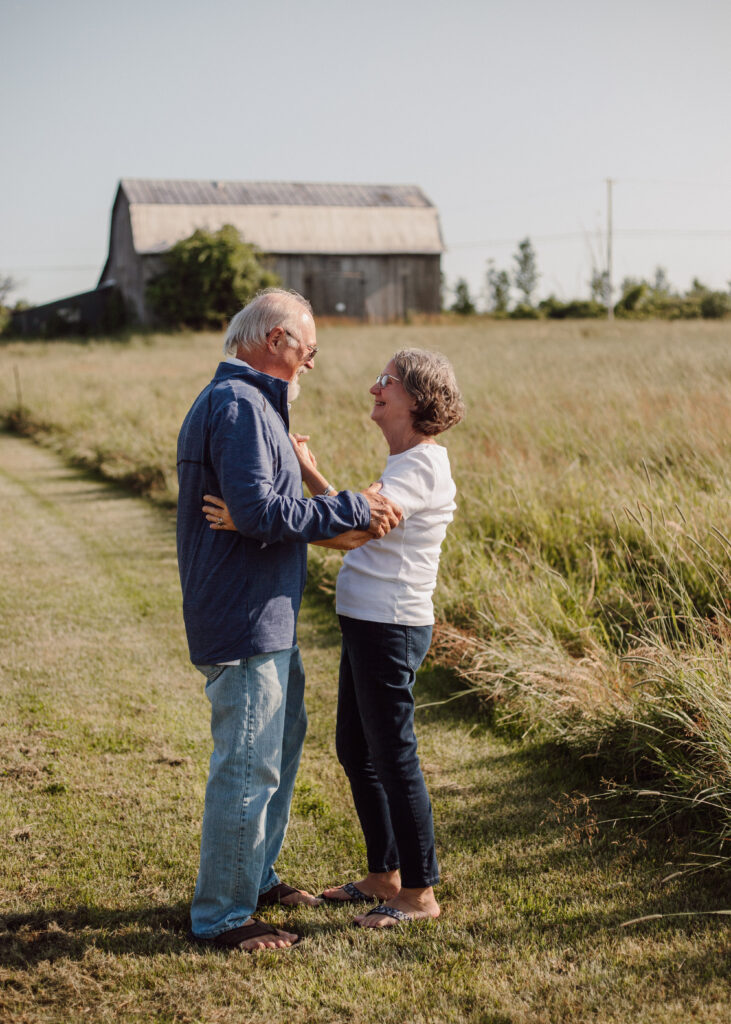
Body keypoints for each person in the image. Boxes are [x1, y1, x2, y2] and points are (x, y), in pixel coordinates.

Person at [204, 348, 464, 930]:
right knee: (357, 750)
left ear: (416, 399)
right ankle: (384, 874)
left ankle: (419, 893)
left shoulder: (419, 467)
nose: (375, 386)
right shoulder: (403, 465)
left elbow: (350, 537)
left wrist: (256, 518)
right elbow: (356, 519)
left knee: (394, 757)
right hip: (369, 625)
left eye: (387, 381)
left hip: (390, 627)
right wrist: (310, 475)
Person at [176, 288, 402, 953]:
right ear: (276, 342)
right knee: (246, 768)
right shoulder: (239, 405)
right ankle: (222, 917)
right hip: (244, 616)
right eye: (309, 350)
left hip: (265, 612)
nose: (312, 364)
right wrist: (354, 507)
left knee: (273, 753)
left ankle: (257, 877)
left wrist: (310, 496)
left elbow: (258, 512)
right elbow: (259, 514)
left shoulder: (246, 406)